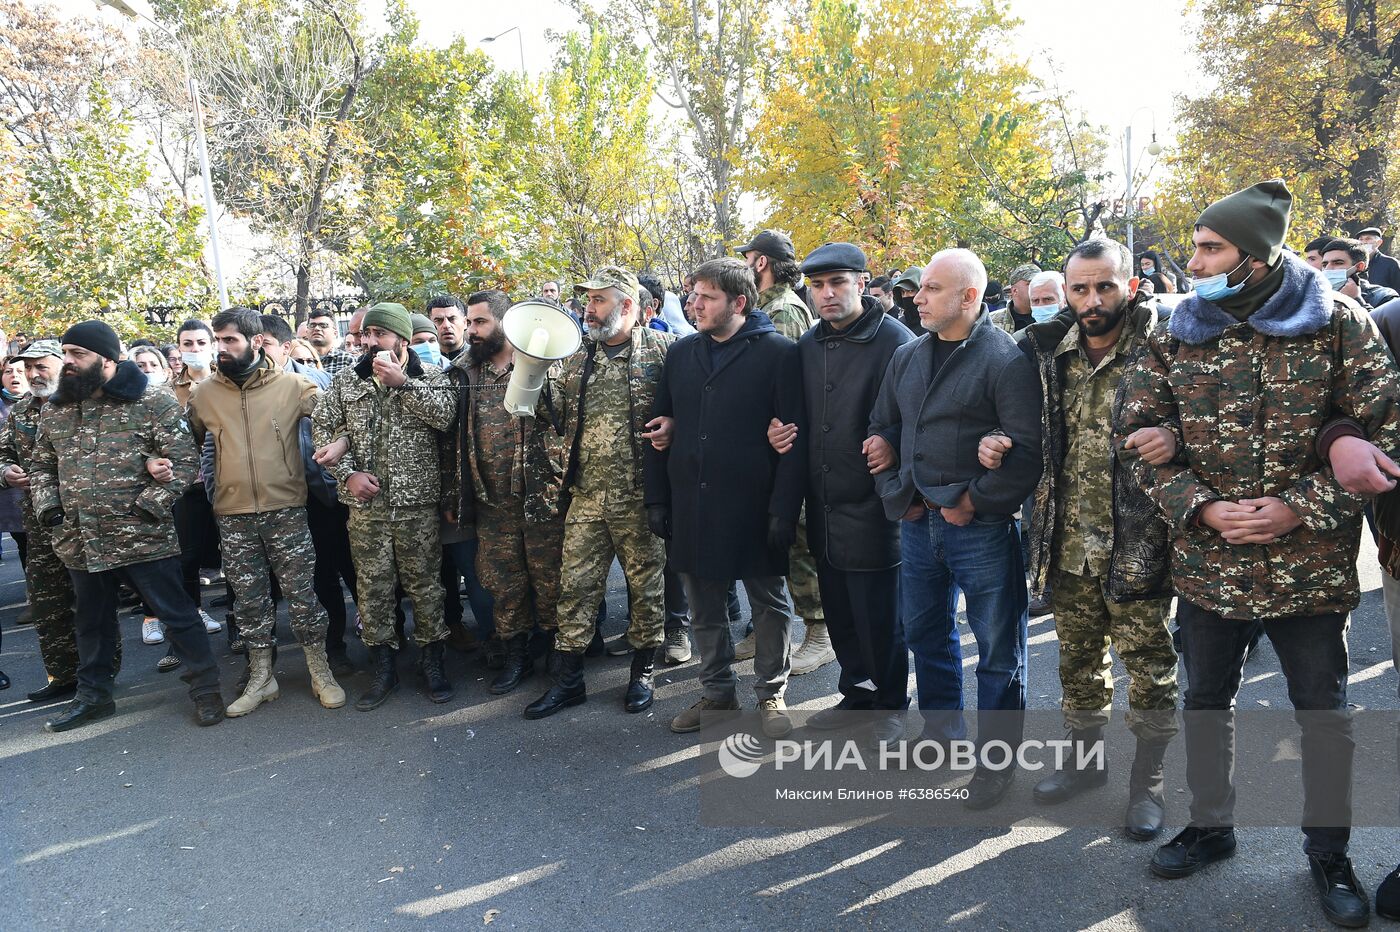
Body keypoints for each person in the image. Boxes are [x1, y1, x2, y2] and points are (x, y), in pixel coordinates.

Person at [1115, 180, 1399, 928]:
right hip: (1210, 564)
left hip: (1309, 567)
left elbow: (1387, 434)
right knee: (1206, 702)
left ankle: (1329, 854)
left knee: (1323, 714)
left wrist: (1297, 508)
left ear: (1257, 255)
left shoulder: (1338, 322)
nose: (1197, 259)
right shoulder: (1175, 327)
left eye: (1212, 247)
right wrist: (1201, 506)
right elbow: (1139, 437)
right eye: (1198, 245)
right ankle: (1210, 826)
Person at [982, 238, 1180, 840]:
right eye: (1080, 288)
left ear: (1132, 286)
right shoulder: (1042, 352)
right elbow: (1010, 414)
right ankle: (1086, 765)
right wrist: (993, 440)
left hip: (1139, 540)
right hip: (1066, 539)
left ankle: (1147, 783)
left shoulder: (1165, 345)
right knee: (1077, 662)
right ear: (1064, 292)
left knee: (1149, 667)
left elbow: (1205, 417)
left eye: (1105, 287)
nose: (1092, 300)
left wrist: (1173, 437)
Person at [868, 248, 1042, 810]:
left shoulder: (1005, 359)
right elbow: (883, 428)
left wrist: (973, 501)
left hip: (982, 530)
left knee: (997, 649)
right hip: (919, 526)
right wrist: (900, 492)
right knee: (925, 635)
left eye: (932, 289)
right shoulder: (909, 355)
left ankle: (996, 767)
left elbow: (1028, 451)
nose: (917, 297)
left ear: (969, 297)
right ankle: (942, 735)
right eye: (920, 288)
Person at [29, 321, 225, 731]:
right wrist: (52, 511)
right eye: (65, 354)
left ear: (107, 358)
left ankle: (206, 690)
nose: (68, 362)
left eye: (77, 354)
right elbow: (42, 466)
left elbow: (185, 460)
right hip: (80, 539)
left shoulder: (151, 402)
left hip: (141, 536)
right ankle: (94, 697)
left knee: (177, 615)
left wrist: (148, 508)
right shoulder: (57, 408)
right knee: (91, 622)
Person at [647, 257, 805, 738]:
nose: (694, 304)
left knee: (769, 604)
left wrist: (783, 508)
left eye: (706, 296)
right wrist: (658, 498)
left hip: (755, 504)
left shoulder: (778, 353)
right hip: (693, 503)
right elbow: (659, 425)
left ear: (739, 302)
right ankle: (717, 696)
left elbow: (795, 439)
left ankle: (771, 695)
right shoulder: (680, 353)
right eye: (693, 294)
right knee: (705, 608)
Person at [767, 243, 915, 748]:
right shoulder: (807, 345)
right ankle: (857, 695)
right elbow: (796, 419)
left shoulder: (896, 341)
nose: (827, 294)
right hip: (823, 502)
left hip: (876, 505)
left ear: (862, 282)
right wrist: (779, 434)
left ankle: (890, 704)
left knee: (880, 617)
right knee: (840, 611)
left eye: (838, 283)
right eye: (818, 285)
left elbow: (916, 417)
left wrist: (892, 444)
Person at [524, 267, 674, 720]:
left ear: (627, 305)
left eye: (599, 301)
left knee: (646, 590)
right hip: (586, 496)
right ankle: (568, 682)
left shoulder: (665, 351)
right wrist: (529, 369)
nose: (588, 310)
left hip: (641, 496)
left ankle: (642, 673)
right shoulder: (573, 358)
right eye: (587, 301)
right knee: (575, 589)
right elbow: (544, 412)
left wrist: (677, 426)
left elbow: (694, 407)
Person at [187, 308, 344, 716]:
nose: (220, 348)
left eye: (229, 340)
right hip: (232, 515)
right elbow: (187, 446)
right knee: (249, 601)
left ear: (256, 342)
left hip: (286, 510)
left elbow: (341, 422)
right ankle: (262, 677)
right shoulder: (204, 395)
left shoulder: (294, 385)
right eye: (216, 340)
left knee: (303, 596)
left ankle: (320, 669)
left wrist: (338, 448)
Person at [311, 303, 458, 710]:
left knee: (426, 587)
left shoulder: (430, 376)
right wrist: (348, 474)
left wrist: (402, 384)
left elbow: (446, 419)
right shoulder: (346, 382)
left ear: (403, 340)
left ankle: (433, 662)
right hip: (367, 509)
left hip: (416, 506)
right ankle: (384, 667)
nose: (370, 342)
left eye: (380, 334)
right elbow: (321, 430)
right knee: (373, 589)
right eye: (366, 335)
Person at [445, 290, 564, 696]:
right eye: (470, 322)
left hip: (542, 495)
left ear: (504, 323)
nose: (471, 331)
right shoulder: (463, 372)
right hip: (490, 499)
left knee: (550, 578)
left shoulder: (542, 361)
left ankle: (556, 653)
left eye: (480, 322)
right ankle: (517, 656)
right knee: (504, 582)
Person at [737, 228, 830, 674]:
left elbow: (788, 387)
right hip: (764, 444)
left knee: (796, 541)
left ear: (761, 263)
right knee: (770, 541)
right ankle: (771, 624)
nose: (745, 263)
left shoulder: (786, 310)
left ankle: (819, 629)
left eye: (749, 256)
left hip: (784, 444)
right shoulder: (765, 306)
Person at [0, 340, 99, 702]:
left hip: (86, 520)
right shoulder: (22, 410)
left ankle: (99, 676)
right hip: (40, 523)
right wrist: (5, 471)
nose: (32, 374)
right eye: (28, 368)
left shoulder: (87, 402)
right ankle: (63, 676)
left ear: (62, 364)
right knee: (47, 603)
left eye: (41, 366)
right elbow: (3, 453)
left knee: (91, 604)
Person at [258, 314, 356, 676]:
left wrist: (341, 479)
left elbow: (346, 431)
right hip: (284, 500)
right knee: (318, 578)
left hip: (328, 492)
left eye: (264, 345)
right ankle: (334, 649)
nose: (257, 352)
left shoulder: (318, 381)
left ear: (285, 347)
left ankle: (383, 644)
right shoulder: (244, 390)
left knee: (352, 568)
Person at [1321, 237, 1398, 309]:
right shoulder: (1318, 296)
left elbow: (1383, 323)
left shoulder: (1383, 296)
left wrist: (1356, 300)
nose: (1327, 269)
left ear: (1359, 266)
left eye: (1338, 263)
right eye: (1324, 264)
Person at [989, 263, 1041, 333]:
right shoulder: (991, 322)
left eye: (1040, 282)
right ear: (1014, 290)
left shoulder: (1051, 318)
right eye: (1031, 283)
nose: (1038, 287)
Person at [306, 307, 357, 376]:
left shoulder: (347, 360)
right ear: (307, 332)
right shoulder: (300, 360)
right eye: (312, 325)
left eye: (323, 325)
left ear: (335, 333)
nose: (317, 328)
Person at [427, 294, 468, 364]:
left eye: (452, 319)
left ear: (465, 323)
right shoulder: (424, 360)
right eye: (439, 320)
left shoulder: (480, 359)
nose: (446, 325)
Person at [1358, 226, 1400, 290]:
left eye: (1368, 239)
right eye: (1361, 239)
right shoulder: (1354, 263)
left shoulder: (1391, 264)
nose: (1364, 242)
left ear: (1379, 242)